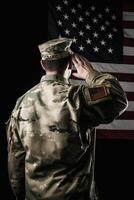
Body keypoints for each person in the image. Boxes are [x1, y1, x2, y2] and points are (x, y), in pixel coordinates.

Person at [6, 37, 128, 200]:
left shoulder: (20, 104)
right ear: (70, 63)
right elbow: (118, 98)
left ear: (43, 65)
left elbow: (15, 164)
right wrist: (91, 74)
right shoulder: (79, 98)